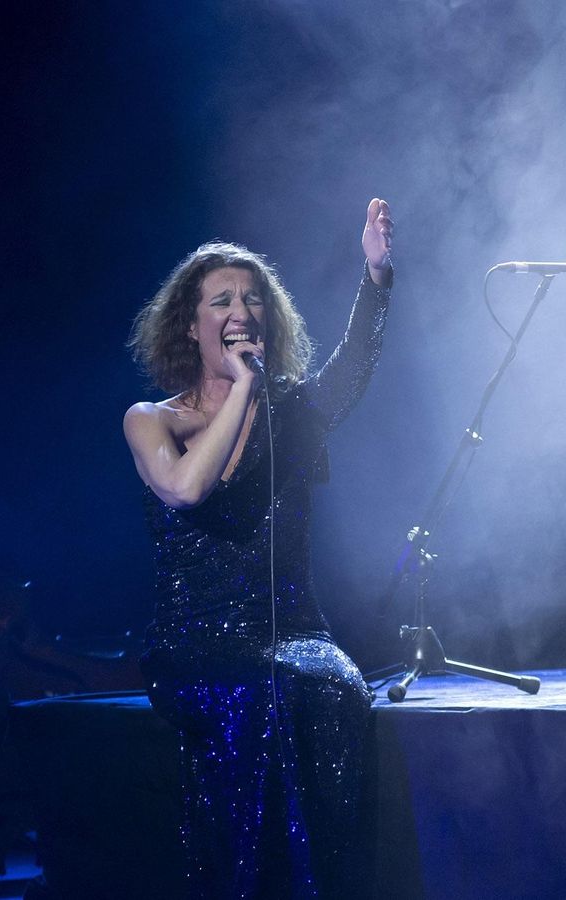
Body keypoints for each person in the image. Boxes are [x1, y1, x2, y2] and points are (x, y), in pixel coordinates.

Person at [124, 199, 393, 896]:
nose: (241, 309)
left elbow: (352, 371)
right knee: (263, 695)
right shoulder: (153, 421)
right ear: (191, 323)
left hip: (298, 632)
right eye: (222, 300)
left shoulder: (294, 410)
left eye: (253, 298)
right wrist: (243, 388)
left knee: (336, 691)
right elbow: (185, 490)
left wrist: (376, 275)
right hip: (195, 639)